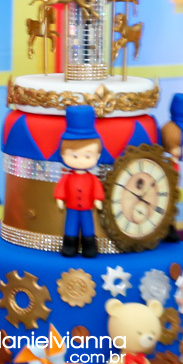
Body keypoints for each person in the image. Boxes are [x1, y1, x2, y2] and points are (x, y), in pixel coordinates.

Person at [54, 105, 105, 258]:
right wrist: (60, 199)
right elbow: (61, 188)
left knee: (88, 227)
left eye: (88, 156)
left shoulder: (92, 179)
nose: (81, 160)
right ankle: (69, 246)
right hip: (71, 208)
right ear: (63, 155)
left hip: (87, 208)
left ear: (98, 155)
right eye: (74, 156)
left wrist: (97, 200)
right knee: (70, 227)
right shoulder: (67, 177)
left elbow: (97, 189)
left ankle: (89, 247)